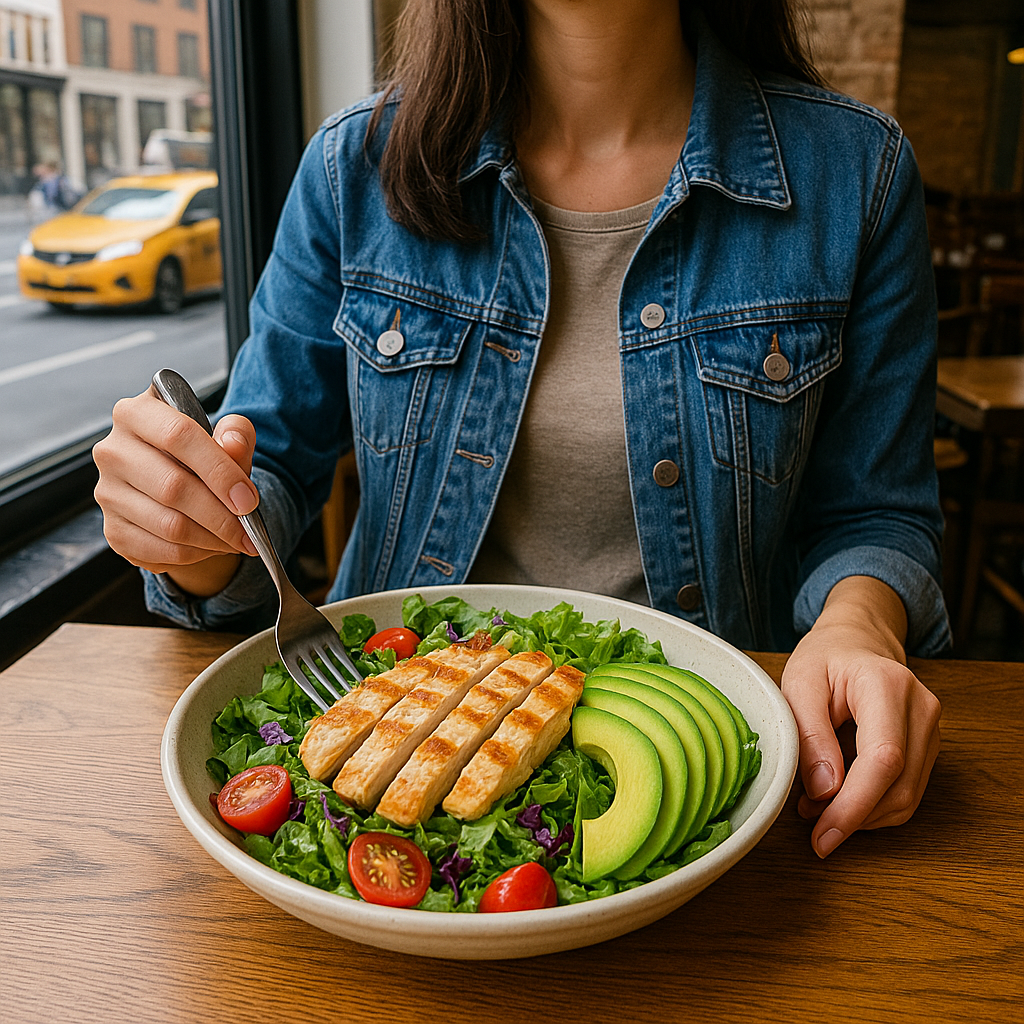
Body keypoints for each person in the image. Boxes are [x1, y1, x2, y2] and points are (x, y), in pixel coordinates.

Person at [93, 0, 946, 859]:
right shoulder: (352, 166)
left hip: (724, 777)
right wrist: (196, 531)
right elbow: (261, 467)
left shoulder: (858, 174)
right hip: (382, 739)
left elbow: (875, 514)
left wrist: (858, 625)